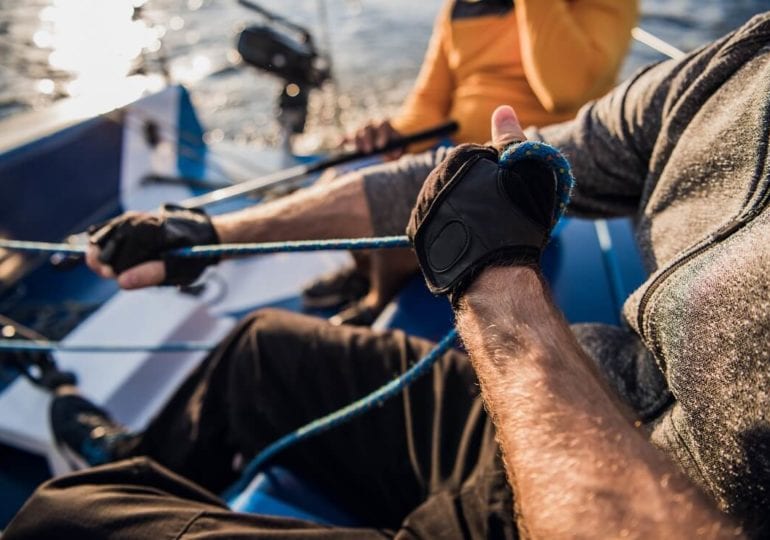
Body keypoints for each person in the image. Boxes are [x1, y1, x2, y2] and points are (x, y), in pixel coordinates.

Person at [6, 12, 770, 538]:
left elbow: (561, 78)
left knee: (61, 520)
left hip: (593, 508)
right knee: (260, 349)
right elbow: (426, 154)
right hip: (573, 390)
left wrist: (494, 278)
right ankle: (136, 460)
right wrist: (203, 231)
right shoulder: (727, 71)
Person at [304, 0, 639, 324]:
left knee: (403, 216)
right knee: (338, 179)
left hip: (536, 168)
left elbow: (564, 90)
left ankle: (378, 296)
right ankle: (368, 271)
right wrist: (393, 132)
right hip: (461, 152)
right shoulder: (459, 6)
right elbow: (427, 105)